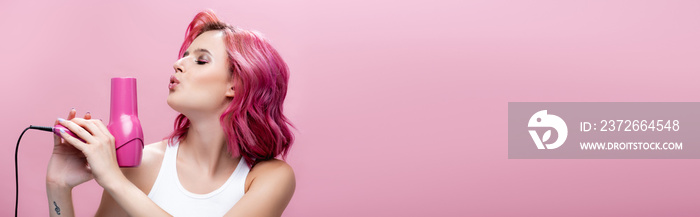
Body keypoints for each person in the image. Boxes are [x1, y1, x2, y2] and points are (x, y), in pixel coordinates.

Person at [46, 9, 296, 217]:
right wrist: (58, 185)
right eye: (184, 55)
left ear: (237, 84)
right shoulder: (141, 165)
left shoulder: (269, 178)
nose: (178, 63)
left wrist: (114, 180)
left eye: (201, 60)